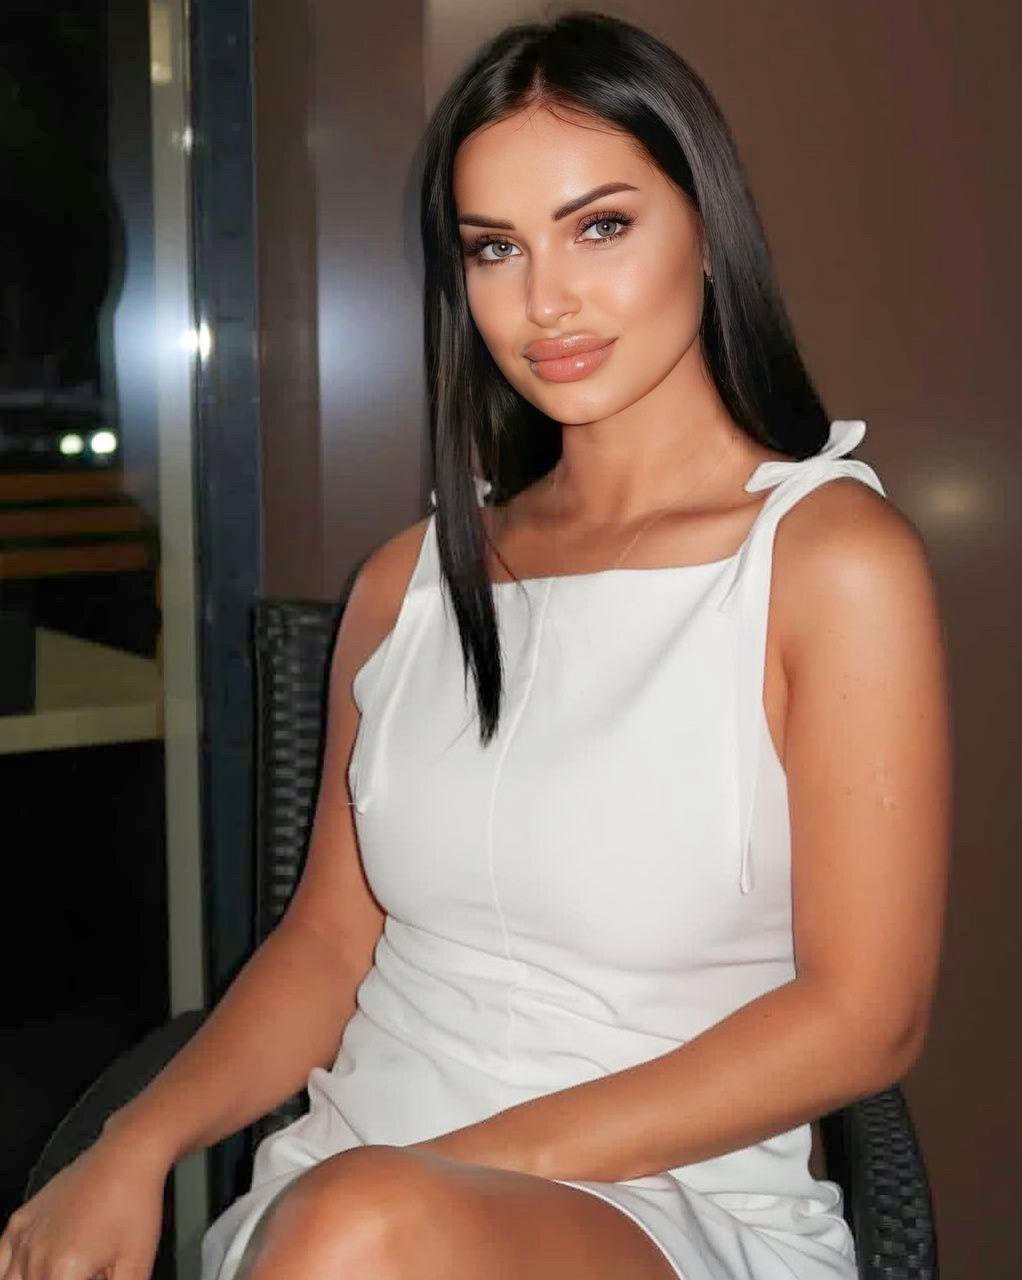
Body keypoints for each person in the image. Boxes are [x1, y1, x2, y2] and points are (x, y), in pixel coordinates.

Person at [0, 10, 951, 1280]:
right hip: (335, 1209)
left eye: (598, 226)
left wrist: (432, 1177)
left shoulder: (829, 563)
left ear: (707, 227)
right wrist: (134, 1143)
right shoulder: (405, 581)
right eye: (494, 247)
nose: (544, 300)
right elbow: (326, 947)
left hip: (661, 1208)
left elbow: (863, 1017)